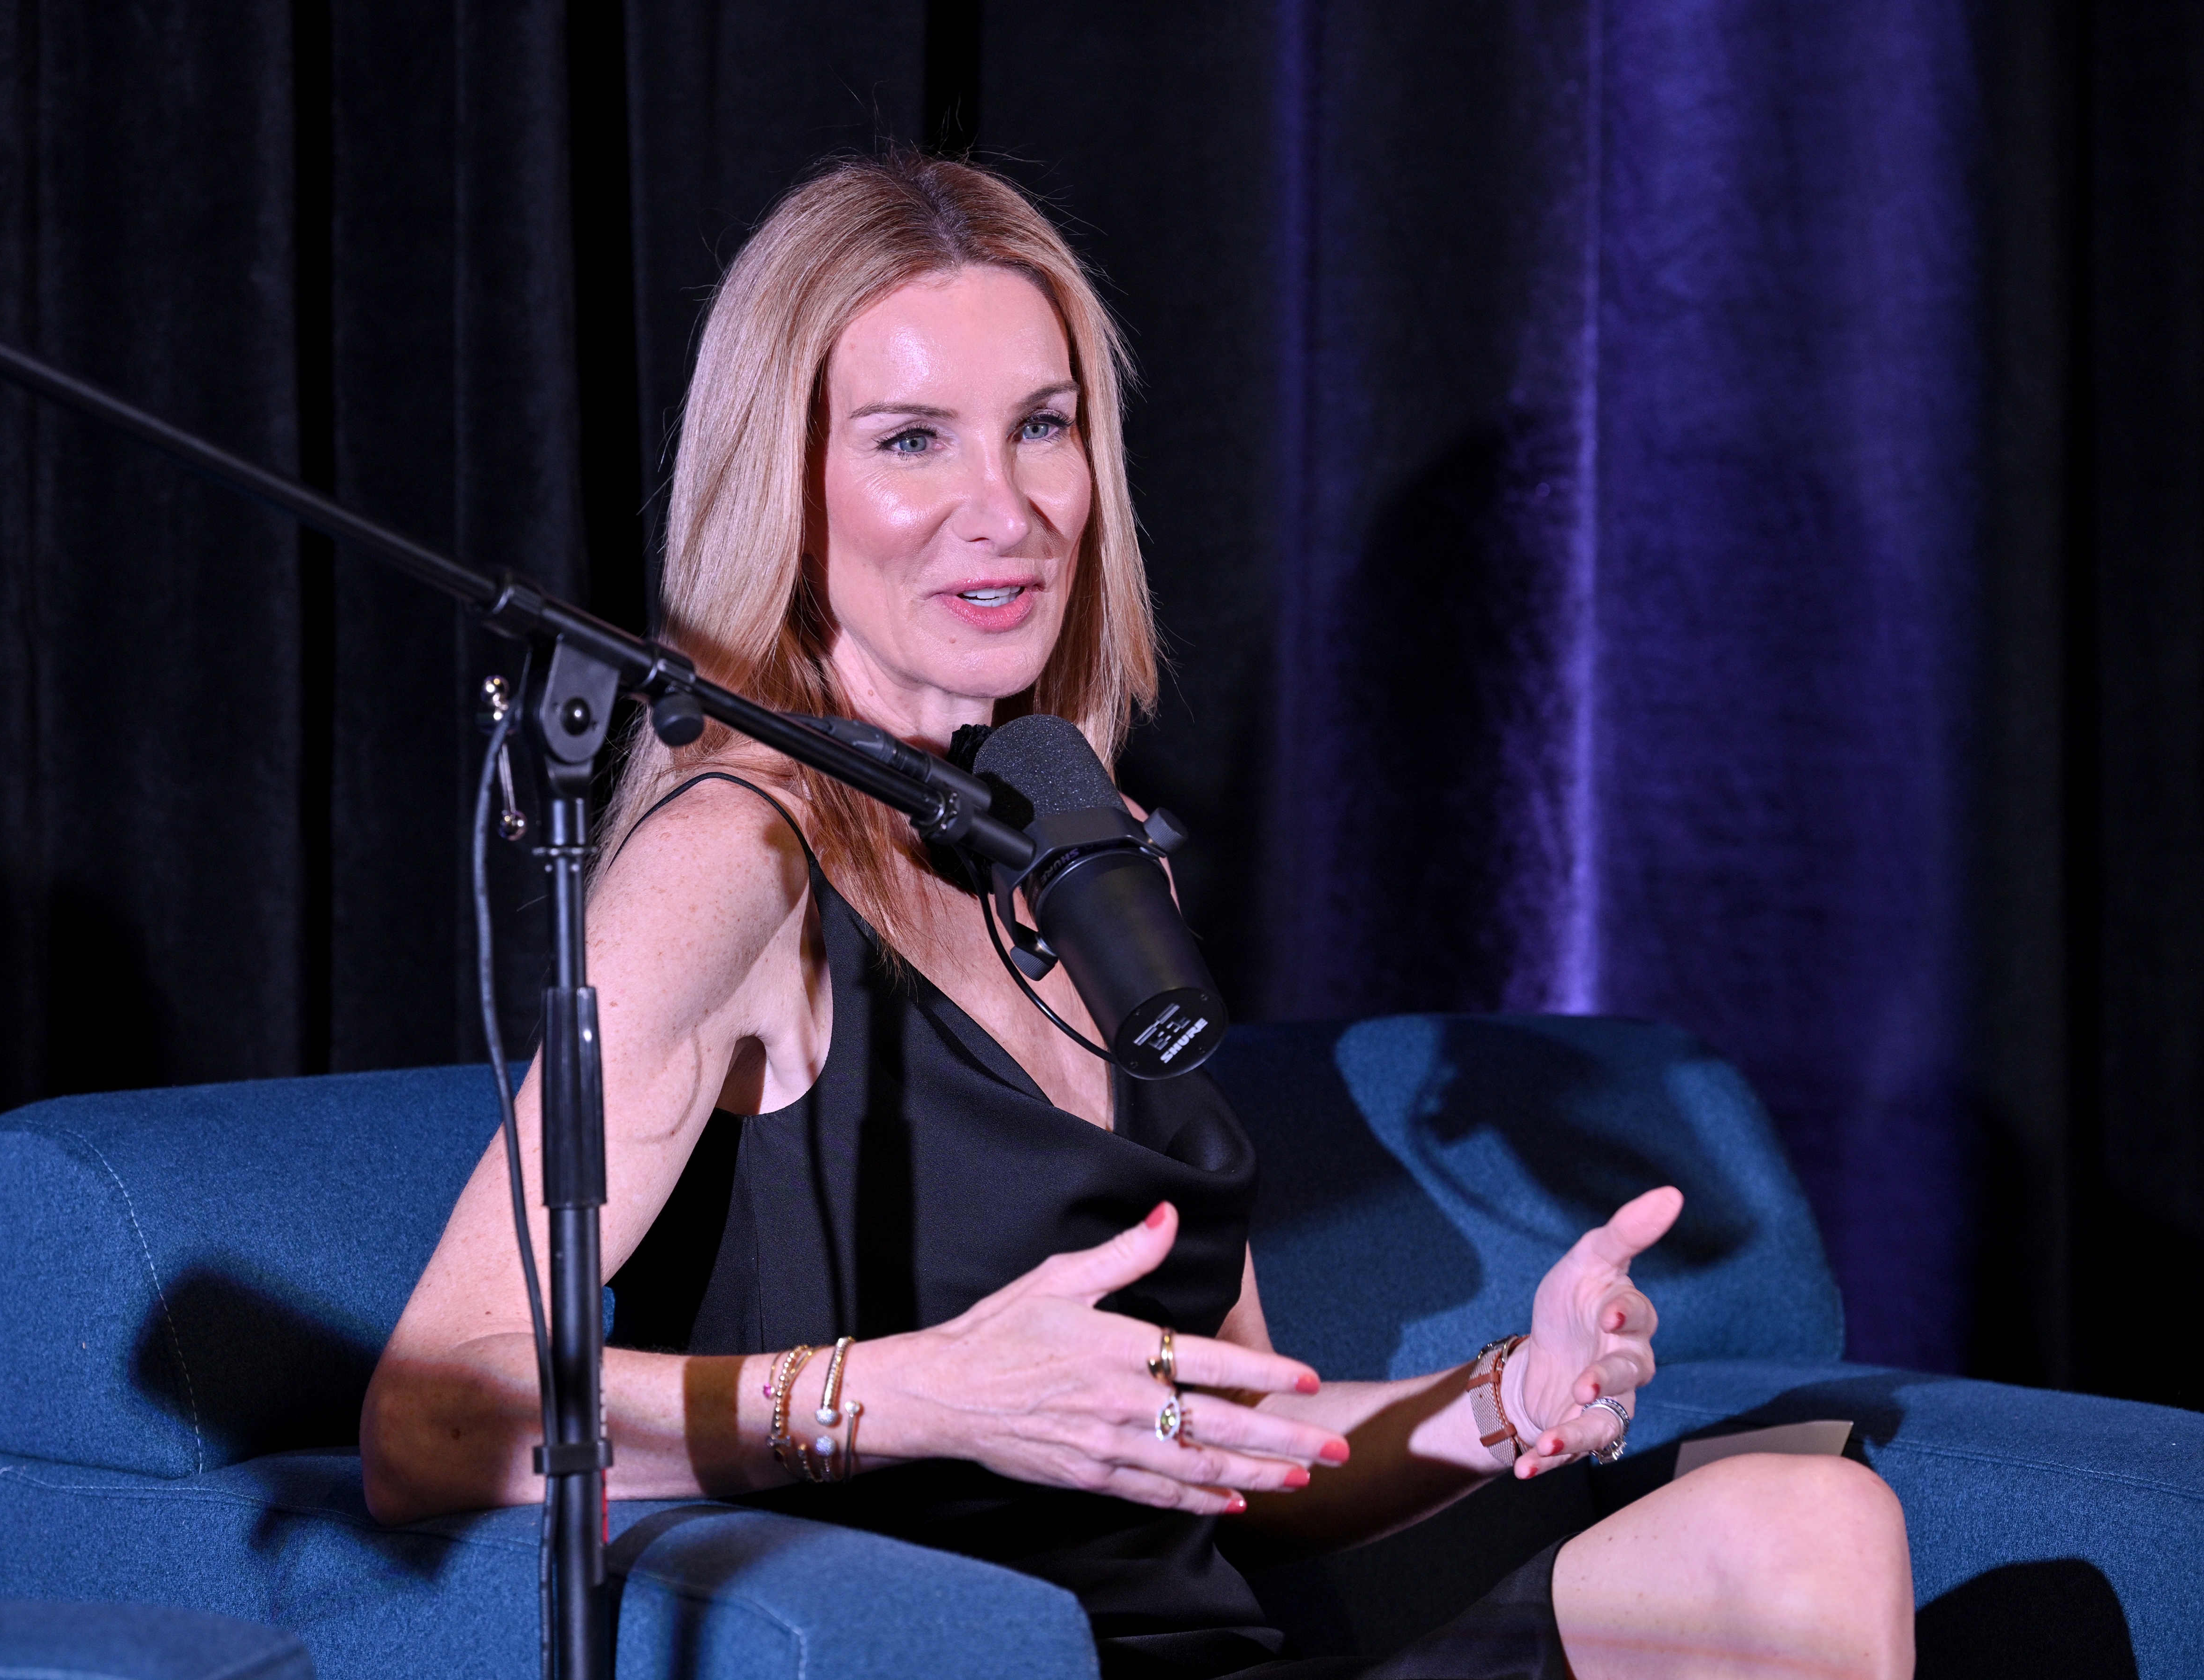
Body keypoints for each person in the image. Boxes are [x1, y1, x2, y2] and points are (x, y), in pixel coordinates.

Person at [362, 150, 1914, 1680]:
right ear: (789, 489)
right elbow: (432, 1415)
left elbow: (1227, 1440)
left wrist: (1509, 1394)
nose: (1010, 507)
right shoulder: (736, 857)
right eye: (913, 441)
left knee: (1802, 1532)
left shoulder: (1087, 856)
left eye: (1044, 428)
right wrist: (914, 1397)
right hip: (956, 1657)